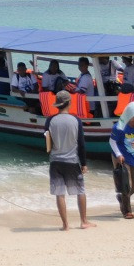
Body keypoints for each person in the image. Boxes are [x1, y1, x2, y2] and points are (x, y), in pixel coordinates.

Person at [45, 90, 95, 230]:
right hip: (72, 160)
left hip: (55, 160)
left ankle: (65, 225)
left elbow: (47, 142)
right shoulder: (76, 120)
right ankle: (84, 221)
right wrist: (84, 163)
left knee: (59, 193)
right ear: (69, 103)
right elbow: (81, 143)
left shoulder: (50, 120)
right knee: (80, 191)